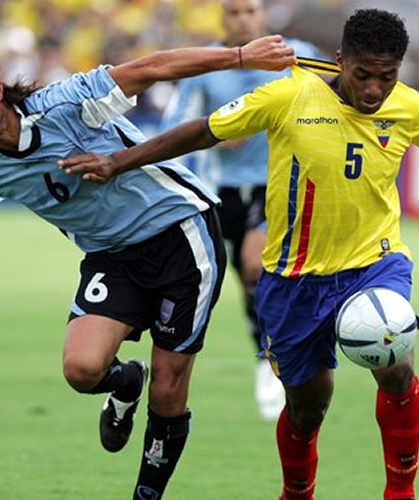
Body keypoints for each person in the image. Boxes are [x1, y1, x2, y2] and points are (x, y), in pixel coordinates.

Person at [57, 9, 419, 500]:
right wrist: (118, 161)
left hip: (374, 262)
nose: (375, 90)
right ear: (341, 62)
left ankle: (401, 490)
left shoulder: (407, 106)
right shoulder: (289, 93)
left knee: (397, 364)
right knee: (309, 407)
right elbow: (205, 130)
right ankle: (297, 494)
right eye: (363, 75)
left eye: (387, 76)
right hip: (294, 280)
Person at [0, 37, 295, 500]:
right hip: (112, 256)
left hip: (180, 238)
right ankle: (126, 381)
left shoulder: (67, 103)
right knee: (82, 369)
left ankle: (146, 494)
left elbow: (151, 65)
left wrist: (241, 57)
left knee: (169, 390)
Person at [161, 0, 326, 421]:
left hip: (277, 187)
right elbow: (174, 123)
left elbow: (333, 102)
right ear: (223, 20)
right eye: (234, 13)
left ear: (263, 16)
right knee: (232, 276)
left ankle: (270, 360)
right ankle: (264, 346)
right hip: (220, 192)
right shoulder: (208, 64)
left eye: (250, 11)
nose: (243, 19)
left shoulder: (296, 54)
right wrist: (214, 135)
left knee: (255, 266)